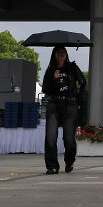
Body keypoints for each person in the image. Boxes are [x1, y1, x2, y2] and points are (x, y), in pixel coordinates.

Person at [41, 46, 86, 175]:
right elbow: (46, 89)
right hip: (54, 104)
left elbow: (83, 82)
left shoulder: (72, 67)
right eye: (59, 52)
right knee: (50, 136)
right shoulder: (50, 70)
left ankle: (69, 161)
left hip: (70, 104)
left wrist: (78, 100)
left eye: (64, 52)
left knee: (68, 139)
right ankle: (52, 166)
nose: (62, 54)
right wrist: (54, 78)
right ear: (54, 54)